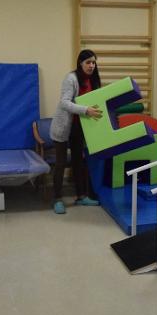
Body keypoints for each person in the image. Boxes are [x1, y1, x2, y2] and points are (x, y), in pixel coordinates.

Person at [49, 49, 103, 214]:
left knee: (79, 162)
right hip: (63, 126)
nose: (91, 65)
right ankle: (57, 198)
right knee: (60, 164)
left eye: (93, 62)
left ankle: (81, 196)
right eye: (88, 62)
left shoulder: (93, 80)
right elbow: (64, 103)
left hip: (80, 127)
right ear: (80, 63)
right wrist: (86, 110)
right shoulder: (71, 78)